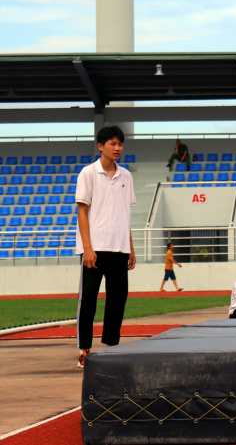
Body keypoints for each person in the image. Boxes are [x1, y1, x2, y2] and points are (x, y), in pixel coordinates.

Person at [75, 126, 136, 368]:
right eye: (112, 143)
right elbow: (82, 211)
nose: (118, 148)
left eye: (120, 144)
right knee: (88, 299)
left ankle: (112, 346)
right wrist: (87, 248)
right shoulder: (88, 174)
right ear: (100, 146)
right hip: (95, 248)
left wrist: (130, 247)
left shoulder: (126, 176)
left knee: (117, 298)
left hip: (119, 248)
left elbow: (125, 215)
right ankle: (84, 349)